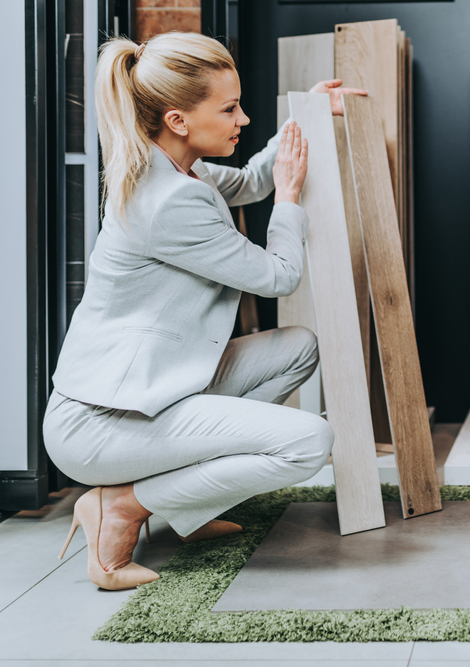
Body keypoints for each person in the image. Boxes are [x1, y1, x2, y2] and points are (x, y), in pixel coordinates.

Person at [44, 32, 364, 590]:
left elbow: (249, 180)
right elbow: (279, 276)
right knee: (308, 441)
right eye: (230, 108)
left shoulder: (180, 169)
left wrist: (307, 116)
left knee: (297, 348)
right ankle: (120, 505)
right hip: (103, 424)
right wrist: (288, 203)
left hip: (150, 393)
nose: (243, 117)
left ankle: (187, 500)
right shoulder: (170, 202)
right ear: (178, 120)